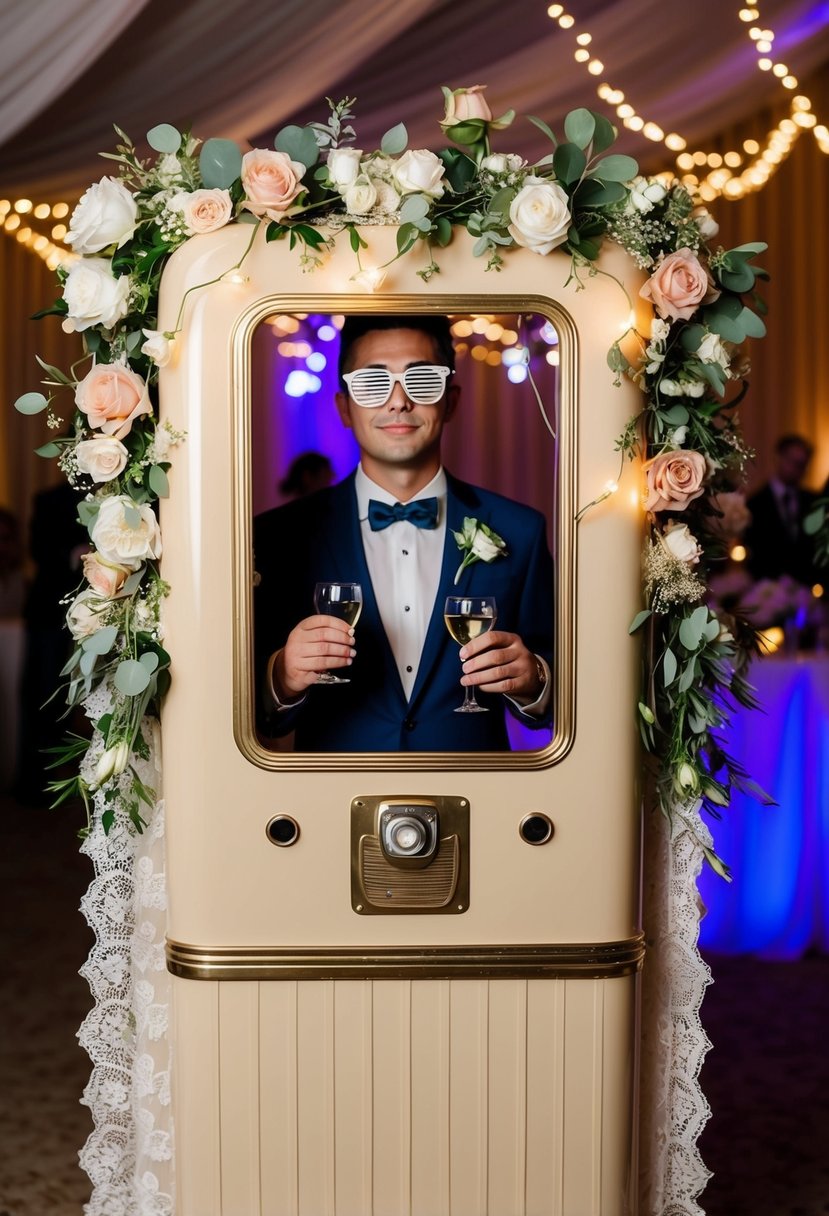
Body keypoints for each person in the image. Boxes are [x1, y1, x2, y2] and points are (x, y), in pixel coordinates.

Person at [253, 314, 554, 752]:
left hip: (479, 796)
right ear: (344, 407)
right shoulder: (280, 535)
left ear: (451, 401)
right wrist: (280, 675)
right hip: (329, 800)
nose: (398, 401)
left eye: (422, 380)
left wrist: (536, 680)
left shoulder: (521, 531)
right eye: (374, 384)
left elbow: (568, 691)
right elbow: (247, 708)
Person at [743, 434, 819, 586]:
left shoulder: (813, 502)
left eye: (802, 464)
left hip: (806, 588)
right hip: (766, 588)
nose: (796, 469)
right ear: (778, 458)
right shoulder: (756, 503)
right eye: (792, 461)